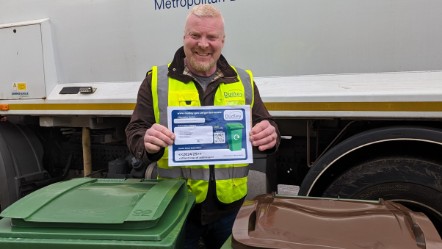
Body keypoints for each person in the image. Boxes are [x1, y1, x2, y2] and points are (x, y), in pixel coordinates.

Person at [125, 4, 280, 248]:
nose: (203, 44)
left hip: (229, 210)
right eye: (195, 35)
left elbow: (266, 123)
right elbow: (135, 131)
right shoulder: (156, 80)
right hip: (176, 208)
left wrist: (270, 135)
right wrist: (147, 142)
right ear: (184, 37)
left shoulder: (243, 80)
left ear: (222, 40)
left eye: (212, 37)